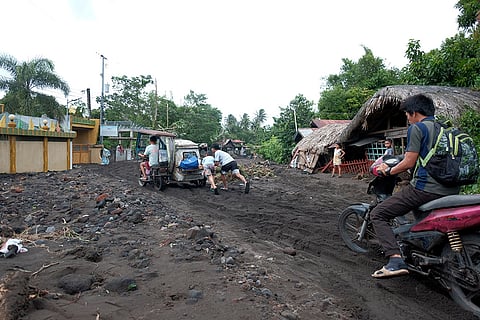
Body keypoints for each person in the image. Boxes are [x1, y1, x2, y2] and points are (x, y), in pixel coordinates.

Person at [371, 94, 460, 278]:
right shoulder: (445, 129)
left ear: (414, 112)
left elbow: (409, 162)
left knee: (378, 214)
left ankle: (395, 260)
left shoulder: (417, 128)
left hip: (425, 189)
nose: (407, 117)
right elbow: (419, 156)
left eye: (406, 114)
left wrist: (388, 171)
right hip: (451, 189)